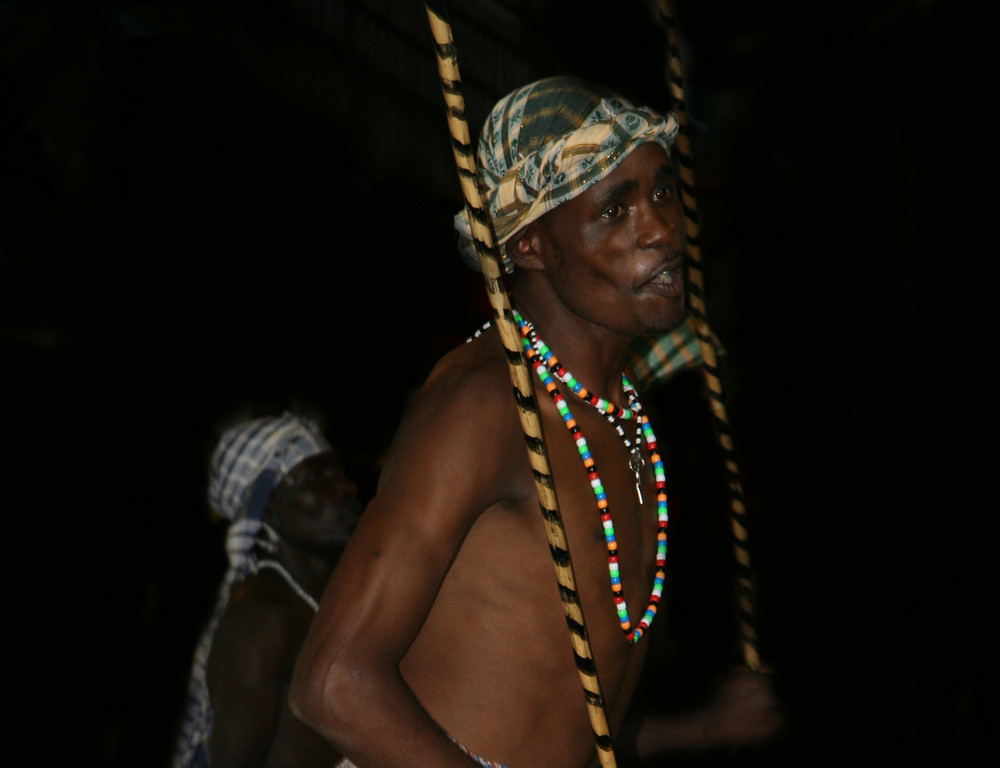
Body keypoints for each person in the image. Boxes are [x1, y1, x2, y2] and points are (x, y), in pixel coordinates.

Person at [289, 76, 780, 768]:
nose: (662, 230)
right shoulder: (485, 405)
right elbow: (332, 684)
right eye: (615, 210)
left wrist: (700, 731)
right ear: (529, 247)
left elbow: (554, 720)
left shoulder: (624, 411)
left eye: (662, 191)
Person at [172, 413, 362, 768]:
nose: (346, 486)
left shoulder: (333, 596)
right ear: (269, 511)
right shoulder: (261, 615)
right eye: (317, 476)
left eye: (338, 470)